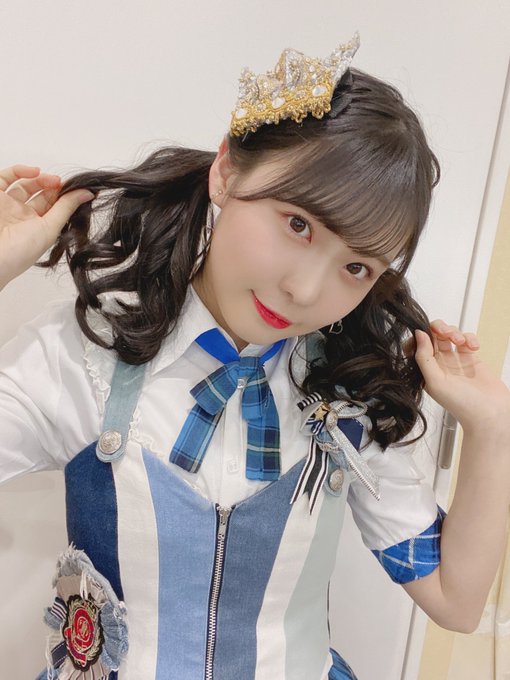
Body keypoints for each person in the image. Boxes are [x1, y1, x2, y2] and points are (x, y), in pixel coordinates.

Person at [1, 35, 509, 680]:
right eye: (298, 224)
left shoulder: (346, 393)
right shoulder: (83, 357)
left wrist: (494, 428)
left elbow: (456, 601)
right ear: (226, 171)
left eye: (356, 267)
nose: (305, 290)